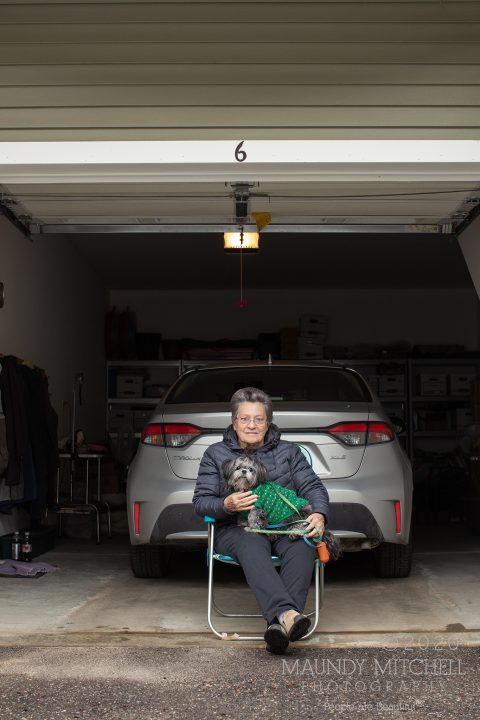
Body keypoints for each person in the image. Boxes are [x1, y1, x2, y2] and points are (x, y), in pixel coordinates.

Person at [192, 386, 329, 654]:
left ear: (268, 424)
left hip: (284, 524)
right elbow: (200, 502)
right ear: (234, 422)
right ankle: (287, 616)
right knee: (252, 542)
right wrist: (225, 504)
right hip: (236, 528)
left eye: (258, 419)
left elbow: (313, 487)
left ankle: (278, 627)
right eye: (245, 419)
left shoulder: (289, 452)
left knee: (303, 544)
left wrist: (319, 513)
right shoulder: (215, 454)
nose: (251, 425)